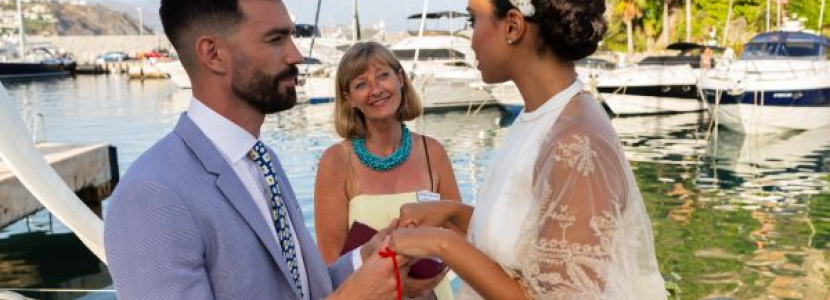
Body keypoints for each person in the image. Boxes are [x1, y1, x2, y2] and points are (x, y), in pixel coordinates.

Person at [103, 1, 433, 299]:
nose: (296, 55)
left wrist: (366, 257)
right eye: (276, 39)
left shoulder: (262, 159)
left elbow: (301, 290)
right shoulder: (151, 196)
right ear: (213, 54)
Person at [389, 0, 667, 299]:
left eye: (472, 21)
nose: (470, 40)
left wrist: (441, 243)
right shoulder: (540, 117)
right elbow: (530, 240)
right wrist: (453, 212)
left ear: (513, 25)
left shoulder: (576, 142)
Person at [314, 41, 461, 299]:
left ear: (400, 79)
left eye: (383, 75)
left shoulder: (432, 152)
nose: (376, 89)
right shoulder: (336, 161)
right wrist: (400, 284)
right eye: (361, 84)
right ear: (349, 99)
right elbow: (331, 264)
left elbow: (460, 235)